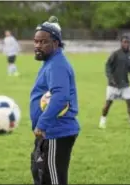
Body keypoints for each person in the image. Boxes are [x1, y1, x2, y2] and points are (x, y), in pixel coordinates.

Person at [29, 16, 80, 185]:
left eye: (43, 42)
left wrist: (42, 124)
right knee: (41, 174)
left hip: (56, 132)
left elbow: (60, 98)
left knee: (53, 180)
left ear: (56, 43)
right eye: (36, 41)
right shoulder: (50, 62)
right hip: (48, 132)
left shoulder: (57, 64)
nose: (37, 46)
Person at [99, 35, 130, 131]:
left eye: (128, 42)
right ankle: (102, 121)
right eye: (124, 42)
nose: (126, 44)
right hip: (113, 85)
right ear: (121, 43)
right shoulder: (115, 54)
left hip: (125, 84)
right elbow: (107, 66)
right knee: (108, 104)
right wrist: (110, 78)